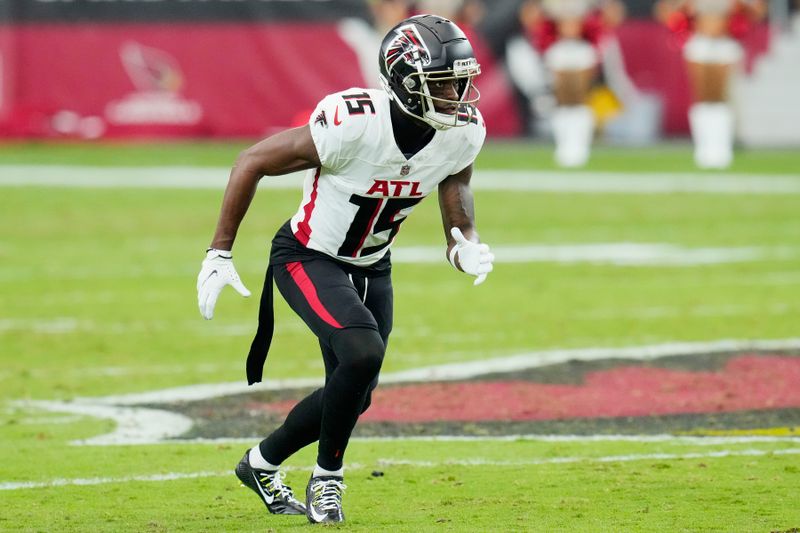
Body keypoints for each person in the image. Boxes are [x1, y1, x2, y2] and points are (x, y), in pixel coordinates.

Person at [196, 14, 493, 524]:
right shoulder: (353, 122)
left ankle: (260, 464)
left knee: (356, 393)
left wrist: (459, 236)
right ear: (404, 81)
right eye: (443, 83)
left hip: (374, 265)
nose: (457, 95)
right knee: (361, 352)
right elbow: (252, 160)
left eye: (461, 81)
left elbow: (454, 181)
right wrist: (219, 251)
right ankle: (327, 480)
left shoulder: (461, 131)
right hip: (309, 256)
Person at [656, 0, 766, 168]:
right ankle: (703, 148)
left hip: (725, 42)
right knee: (702, 97)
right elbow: (664, 12)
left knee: (721, 97)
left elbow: (757, 12)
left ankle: (722, 148)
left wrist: (742, 7)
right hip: (700, 41)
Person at [518, 0, 626, 167]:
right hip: (557, 57)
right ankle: (564, 144)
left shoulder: (588, 46)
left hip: (585, 53)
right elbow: (529, 16)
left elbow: (613, 14)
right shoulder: (553, 47)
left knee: (579, 101)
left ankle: (580, 146)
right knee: (562, 103)